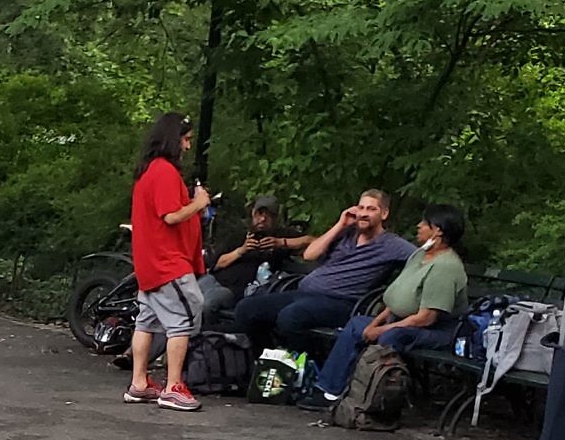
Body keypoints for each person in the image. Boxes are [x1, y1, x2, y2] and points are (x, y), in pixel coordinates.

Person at [307, 204, 472, 405]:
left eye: (424, 223)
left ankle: (367, 398)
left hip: (439, 330)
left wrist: (381, 330)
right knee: (357, 324)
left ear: (438, 230)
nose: (418, 226)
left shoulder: (446, 267)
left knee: (391, 336)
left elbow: (426, 318)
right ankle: (329, 391)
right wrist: (374, 323)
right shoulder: (420, 255)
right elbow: (396, 299)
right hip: (402, 319)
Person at [232, 189, 416, 362]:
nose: (364, 213)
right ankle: (265, 364)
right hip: (304, 293)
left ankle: (307, 371)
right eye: (361, 208)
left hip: (342, 302)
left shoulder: (392, 245)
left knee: (290, 317)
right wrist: (340, 224)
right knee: (247, 308)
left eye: (371, 209)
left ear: (384, 214)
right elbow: (310, 254)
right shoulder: (345, 234)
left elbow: (425, 259)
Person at [123, 110, 209, 411]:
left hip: (149, 262)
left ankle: (140, 382)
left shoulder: (148, 171)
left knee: (146, 320)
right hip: (167, 263)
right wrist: (198, 203)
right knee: (184, 319)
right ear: (174, 140)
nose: (187, 147)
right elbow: (170, 216)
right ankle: (174, 386)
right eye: (185, 140)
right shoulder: (164, 172)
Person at [201, 194, 300, 326]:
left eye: (268, 216)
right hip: (215, 278)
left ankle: (209, 340)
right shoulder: (239, 234)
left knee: (207, 305)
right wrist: (241, 250)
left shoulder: (281, 235)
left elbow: (311, 241)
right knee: (186, 297)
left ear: (275, 218)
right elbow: (217, 264)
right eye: (259, 214)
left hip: (236, 289)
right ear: (253, 214)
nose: (263, 219)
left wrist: (281, 243)